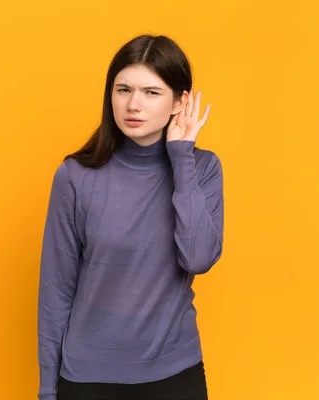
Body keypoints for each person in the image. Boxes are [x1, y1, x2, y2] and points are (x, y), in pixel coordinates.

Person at [37, 34, 224, 400]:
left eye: (151, 92)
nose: (133, 105)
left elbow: (199, 258)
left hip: (175, 372)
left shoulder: (202, 169)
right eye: (123, 89)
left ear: (179, 101)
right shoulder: (75, 176)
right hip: (90, 376)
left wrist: (181, 157)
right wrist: (47, 389)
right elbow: (56, 290)